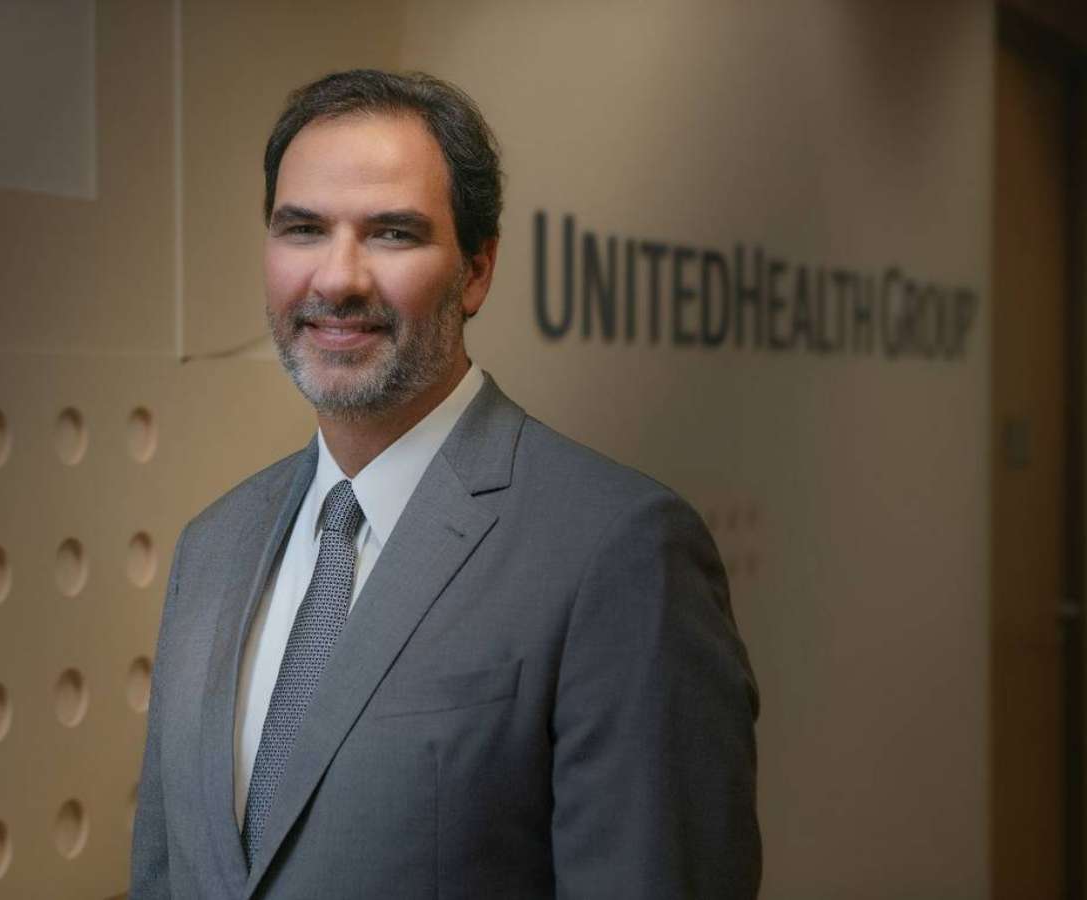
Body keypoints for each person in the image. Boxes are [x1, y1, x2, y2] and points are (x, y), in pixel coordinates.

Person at [131, 69, 760, 899]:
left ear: (477, 270)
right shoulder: (212, 547)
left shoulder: (619, 553)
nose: (337, 280)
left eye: (392, 234)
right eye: (303, 229)